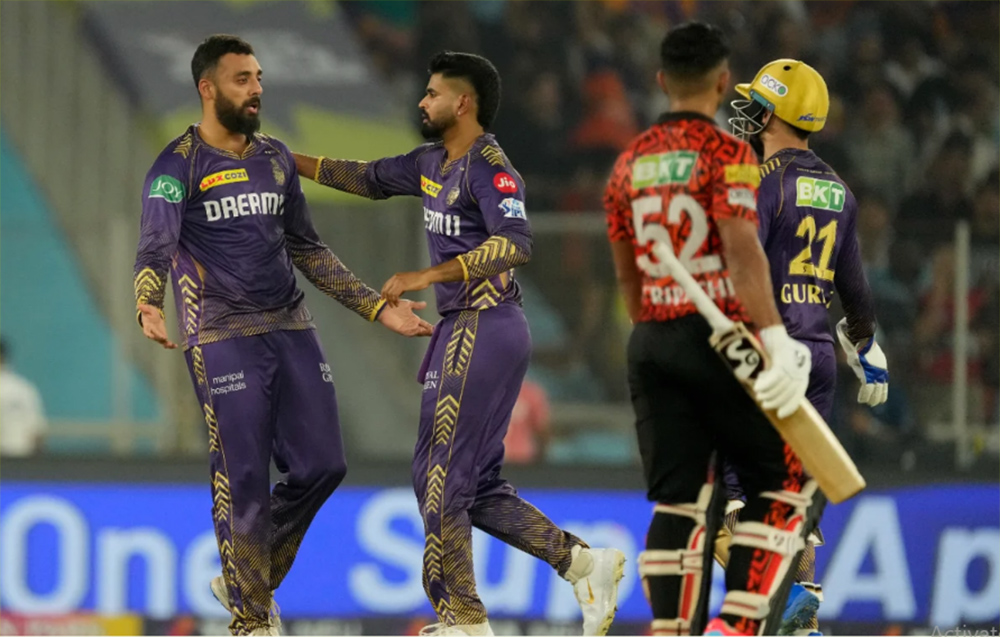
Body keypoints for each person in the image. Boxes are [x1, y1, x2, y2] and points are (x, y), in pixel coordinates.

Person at [293, 51, 625, 637]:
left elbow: (517, 241)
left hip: (484, 324)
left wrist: (429, 275)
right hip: (466, 328)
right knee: (472, 484)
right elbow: (365, 178)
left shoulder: (491, 169)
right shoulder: (430, 162)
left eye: (432, 93)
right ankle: (580, 563)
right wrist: (282, 159)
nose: (422, 101)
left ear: (463, 103)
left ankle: (462, 617)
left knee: (438, 476)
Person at [133, 34, 433, 636]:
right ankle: (251, 619)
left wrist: (377, 308)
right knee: (242, 474)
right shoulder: (176, 165)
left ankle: (246, 579)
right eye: (242, 79)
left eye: (259, 78)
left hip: (291, 326)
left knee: (324, 465)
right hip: (220, 335)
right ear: (207, 88)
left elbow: (308, 250)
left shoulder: (274, 158)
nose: (257, 89)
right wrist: (148, 301)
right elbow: (154, 244)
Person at [603, 23, 819, 636]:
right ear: (723, 83)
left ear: (661, 80)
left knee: (679, 502)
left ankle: (673, 629)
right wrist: (774, 338)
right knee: (783, 489)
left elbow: (627, 275)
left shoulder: (629, 162)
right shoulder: (729, 153)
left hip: (651, 341)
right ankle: (738, 625)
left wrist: (656, 335)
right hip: (718, 339)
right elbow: (742, 251)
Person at [730, 58, 889, 635]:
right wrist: (867, 346)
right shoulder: (839, 191)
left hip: (765, 351)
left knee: (725, 496)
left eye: (757, 104)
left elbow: (740, 270)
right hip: (817, 357)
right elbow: (855, 290)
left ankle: (778, 602)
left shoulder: (761, 183)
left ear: (774, 115)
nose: (747, 113)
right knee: (794, 495)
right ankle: (803, 618)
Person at [0, 337, 47, 458]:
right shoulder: (24, 388)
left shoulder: (22, 389)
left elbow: (37, 432)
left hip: (19, 459)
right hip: (22, 461)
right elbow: (38, 433)